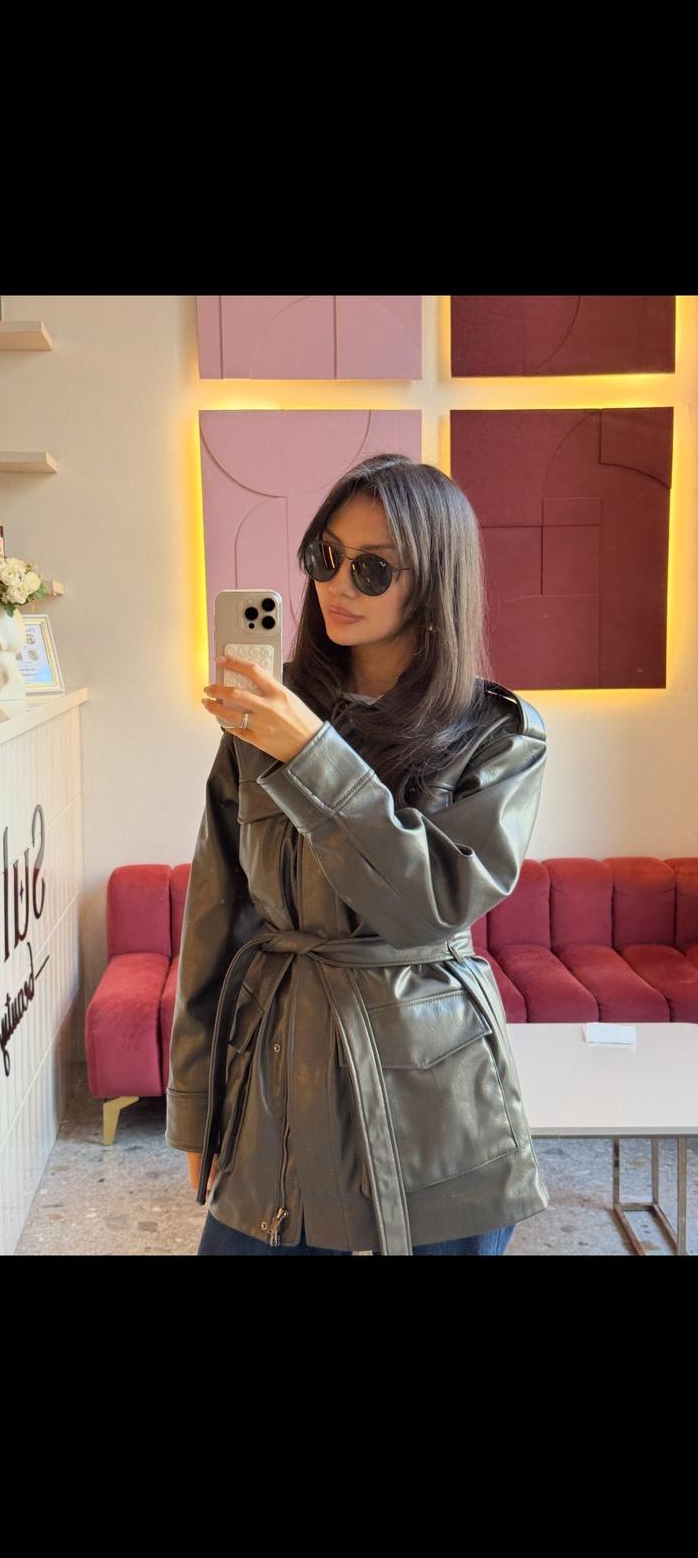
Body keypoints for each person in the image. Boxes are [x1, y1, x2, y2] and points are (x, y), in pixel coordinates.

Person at [166, 453, 550, 1255]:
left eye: (372, 568)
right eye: (325, 555)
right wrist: (195, 1103)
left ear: (434, 580)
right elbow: (215, 915)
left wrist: (311, 752)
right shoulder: (265, 718)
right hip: (276, 1082)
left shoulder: (498, 734)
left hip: (435, 1097)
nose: (337, 585)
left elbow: (430, 905)